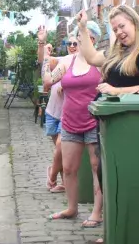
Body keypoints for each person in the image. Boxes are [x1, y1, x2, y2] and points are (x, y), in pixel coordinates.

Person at [47, 22, 104, 229]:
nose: (76, 41)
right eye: (75, 37)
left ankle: (97, 213)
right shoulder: (68, 61)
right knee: (69, 168)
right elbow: (48, 81)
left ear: (93, 39)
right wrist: (45, 56)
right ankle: (71, 208)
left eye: (80, 36)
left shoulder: (99, 60)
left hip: (93, 122)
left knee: (97, 168)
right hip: (69, 122)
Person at [75, 6, 139, 95]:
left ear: (134, 23)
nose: (118, 32)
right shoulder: (117, 53)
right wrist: (82, 28)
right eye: (115, 30)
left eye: (122, 26)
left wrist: (116, 91)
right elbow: (92, 58)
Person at [38, 39, 67, 193]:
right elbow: (43, 62)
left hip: (67, 113)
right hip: (52, 110)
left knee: (61, 146)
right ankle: (63, 183)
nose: (73, 46)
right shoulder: (64, 60)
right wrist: (42, 45)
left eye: (76, 43)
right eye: (70, 43)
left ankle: (52, 174)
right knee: (60, 150)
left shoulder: (86, 61)